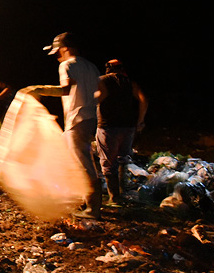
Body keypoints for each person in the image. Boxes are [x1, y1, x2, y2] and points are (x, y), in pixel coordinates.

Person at [24, 32, 102, 219]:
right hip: (90, 117)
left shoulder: (66, 65)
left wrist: (39, 89)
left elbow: (66, 89)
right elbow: (99, 93)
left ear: (65, 48)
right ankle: (85, 200)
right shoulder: (92, 67)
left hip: (76, 118)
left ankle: (94, 207)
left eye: (57, 51)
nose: (56, 55)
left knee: (82, 162)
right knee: (76, 160)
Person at [95, 59, 148, 205]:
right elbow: (144, 100)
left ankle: (114, 198)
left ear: (108, 69)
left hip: (108, 126)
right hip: (128, 127)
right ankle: (122, 193)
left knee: (107, 163)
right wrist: (140, 121)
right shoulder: (130, 82)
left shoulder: (102, 80)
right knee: (122, 159)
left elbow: (97, 97)